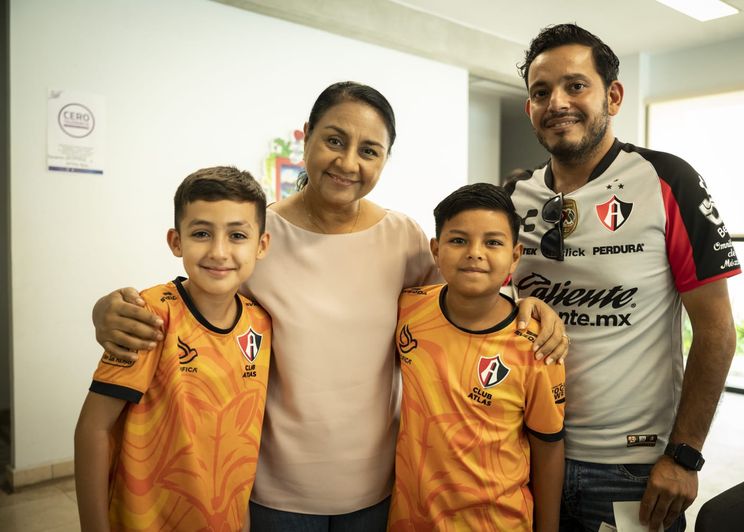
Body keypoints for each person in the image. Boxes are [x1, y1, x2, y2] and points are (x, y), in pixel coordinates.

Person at [90, 82, 570, 530]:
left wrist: (527, 305)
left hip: (378, 487)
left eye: (369, 150)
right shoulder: (258, 236)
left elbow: (464, 299)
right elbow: (195, 298)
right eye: (334, 141)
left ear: (384, 160)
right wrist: (105, 310)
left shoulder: (401, 237)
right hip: (273, 488)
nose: (348, 162)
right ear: (307, 139)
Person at [508, 23, 740, 532]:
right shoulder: (513, 195)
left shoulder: (667, 180)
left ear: (612, 95)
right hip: (524, 448)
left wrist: (684, 455)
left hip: (630, 468)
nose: (556, 103)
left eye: (575, 85)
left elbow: (718, 331)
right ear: (529, 108)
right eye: (540, 92)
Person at [74, 166, 271, 530]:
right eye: (201, 233)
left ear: (261, 245)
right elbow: (93, 429)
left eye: (237, 235)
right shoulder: (147, 317)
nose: (219, 251)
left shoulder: (261, 323)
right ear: (176, 241)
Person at [389, 183, 565, 531]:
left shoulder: (536, 345)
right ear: (436, 250)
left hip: (498, 522)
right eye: (458, 240)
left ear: (515, 256)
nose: (475, 253)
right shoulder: (408, 307)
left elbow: (548, 449)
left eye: (493, 242)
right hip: (411, 520)